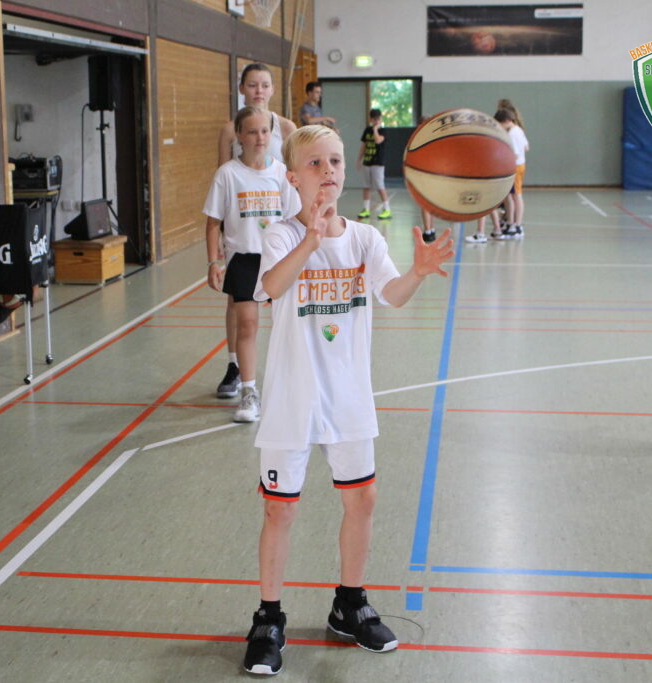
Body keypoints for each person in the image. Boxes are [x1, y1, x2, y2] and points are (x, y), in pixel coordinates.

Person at [242, 125, 455, 675]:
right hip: (292, 399)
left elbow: (391, 295)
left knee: (362, 501)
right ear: (292, 177)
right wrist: (310, 240)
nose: (328, 171)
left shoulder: (364, 239)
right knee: (280, 508)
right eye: (315, 163)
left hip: (348, 399)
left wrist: (417, 273)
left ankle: (350, 604)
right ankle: (268, 618)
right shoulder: (282, 235)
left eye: (335, 161)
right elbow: (272, 287)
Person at [204, 107, 298, 422]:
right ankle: (248, 392)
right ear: (240, 136)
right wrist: (213, 261)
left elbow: (295, 219)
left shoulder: (282, 174)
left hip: (278, 259)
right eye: (252, 131)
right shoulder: (227, 174)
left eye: (265, 131)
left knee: (290, 325)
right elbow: (212, 223)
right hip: (244, 259)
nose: (260, 138)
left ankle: (293, 386)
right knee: (247, 325)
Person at [493, 107, 529, 239]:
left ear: (507, 121)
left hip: (515, 166)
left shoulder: (513, 134)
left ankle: (517, 225)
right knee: (509, 195)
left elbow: (515, 154)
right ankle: (510, 222)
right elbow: (526, 146)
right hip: (516, 165)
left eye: (501, 124)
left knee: (516, 195)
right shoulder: (518, 130)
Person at [356, 108, 392, 220]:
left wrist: (375, 129)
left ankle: (387, 209)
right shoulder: (367, 130)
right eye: (374, 119)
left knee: (380, 186)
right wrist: (359, 159)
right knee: (366, 186)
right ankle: (366, 209)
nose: (376, 121)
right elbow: (364, 145)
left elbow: (378, 140)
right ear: (371, 119)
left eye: (378, 119)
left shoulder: (383, 131)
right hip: (367, 161)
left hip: (378, 162)